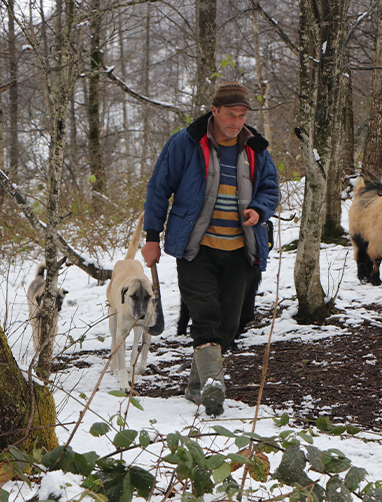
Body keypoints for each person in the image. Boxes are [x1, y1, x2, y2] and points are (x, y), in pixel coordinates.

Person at [142, 82, 280, 416]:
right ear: (214, 111)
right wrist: (151, 236)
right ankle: (214, 384)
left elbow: (270, 188)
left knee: (228, 325)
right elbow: (159, 189)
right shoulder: (186, 143)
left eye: (242, 115)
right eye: (230, 114)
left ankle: (196, 386)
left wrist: (259, 209)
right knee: (204, 316)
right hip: (196, 247)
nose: (236, 121)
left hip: (240, 248)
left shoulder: (255, 148)